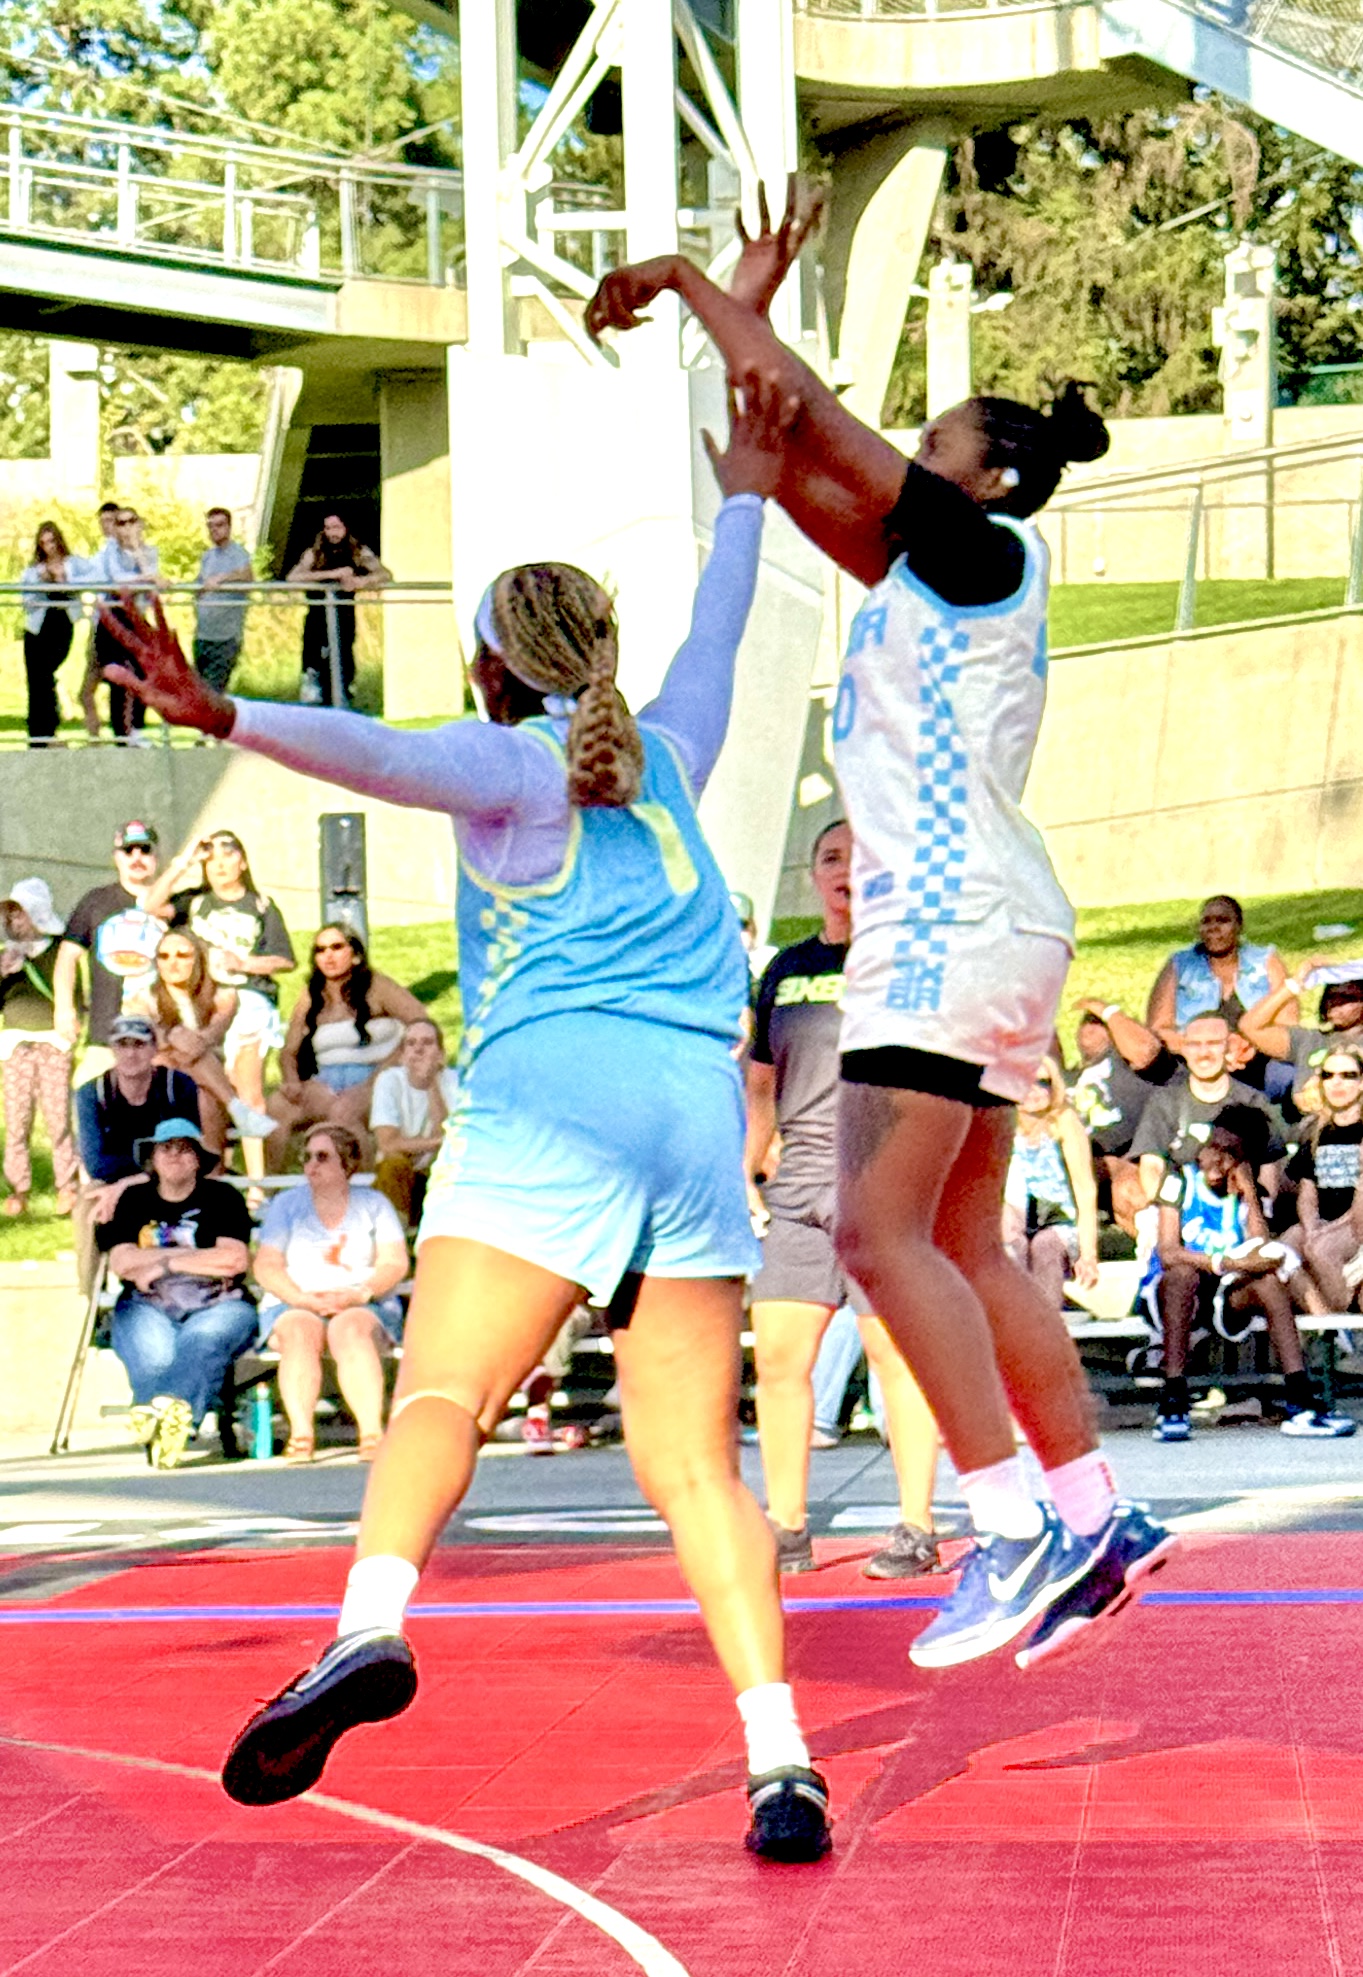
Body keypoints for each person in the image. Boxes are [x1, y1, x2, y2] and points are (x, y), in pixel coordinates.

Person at [99, 376, 835, 1864]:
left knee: (444, 1397)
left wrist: (217, 706)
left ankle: (367, 1623)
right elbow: (720, 636)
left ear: (494, 669)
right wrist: (746, 491)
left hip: (555, 1101)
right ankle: (779, 1760)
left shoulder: (508, 766)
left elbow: (373, 752)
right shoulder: (671, 758)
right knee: (696, 1465)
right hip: (691, 1116)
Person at [587, 180, 1171, 1671]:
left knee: (866, 1229)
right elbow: (774, 448)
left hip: (943, 923)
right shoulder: (918, 578)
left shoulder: (976, 558)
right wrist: (744, 310)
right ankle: (1092, 1509)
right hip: (989, 921)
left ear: (985, 480)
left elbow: (806, 420)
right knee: (960, 1240)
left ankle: (1005, 1527)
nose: (907, 456)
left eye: (936, 446)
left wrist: (685, 277)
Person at [746, 819, 942, 1581]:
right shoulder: (785, 970)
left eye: (861, 859)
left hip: (880, 1182)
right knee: (779, 1362)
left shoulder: (906, 963)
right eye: (831, 858)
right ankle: (787, 1529)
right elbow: (760, 1084)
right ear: (813, 874)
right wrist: (746, 1172)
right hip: (796, 1189)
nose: (845, 871)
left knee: (896, 1354)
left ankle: (916, 1527)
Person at [1141, 1109, 1354, 1443]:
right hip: (1177, 1292)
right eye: (1214, 1147)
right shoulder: (1178, 1180)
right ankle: (1173, 1399)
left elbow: (1261, 1252)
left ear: (1245, 1161)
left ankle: (1299, 1400)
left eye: (1231, 1155)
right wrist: (1222, 1262)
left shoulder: (1248, 1193)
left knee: (1269, 1282)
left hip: (1225, 1292)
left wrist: (1251, 1196)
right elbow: (1169, 1251)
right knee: (1182, 1274)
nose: (1217, 1159)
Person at [97, 1116, 256, 1470]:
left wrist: (163, 1266)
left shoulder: (223, 1197)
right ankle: (169, 1424)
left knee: (201, 1341)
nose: (175, 1155)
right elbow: (123, 1261)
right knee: (155, 1357)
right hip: (147, 1304)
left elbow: (233, 1259)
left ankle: (164, 1423)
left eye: (185, 1149)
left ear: (198, 1159)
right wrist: (195, 1258)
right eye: (165, 1148)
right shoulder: (133, 1200)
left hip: (219, 1301)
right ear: (151, 1158)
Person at [143, 828, 297, 1177]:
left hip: (246, 996)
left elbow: (285, 960)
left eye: (228, 857)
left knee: (245, 1084)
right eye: (211, 860)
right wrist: (184, 862)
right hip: (199, 997)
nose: (219, 866)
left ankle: (257, 1185)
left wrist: (243, 964)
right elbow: (151, 905)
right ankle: (218, 1173)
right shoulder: (195, 901)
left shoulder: (261, 905)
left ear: (242, 862)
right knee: (207, 1079)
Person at [252, 1124, 410, 1462]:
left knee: (350, 1329)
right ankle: (301, 1433)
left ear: (347, 1164)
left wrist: (360, 1294)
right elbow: (266, 1265)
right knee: (298, 1330)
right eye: (307, 1157)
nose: (311, 1165)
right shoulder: (286, 1205)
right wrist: (301, 1299)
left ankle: (370, 1433)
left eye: (322, 1157)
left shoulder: (374, 1204)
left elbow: (394, 1263)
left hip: (361, 1299)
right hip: (297, 1299)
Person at [266, 924, 423, 1169]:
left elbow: (421, 1025)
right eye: (320, 950)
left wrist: (376, 1081)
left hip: (377, 1077)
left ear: (356, 954)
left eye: (337, 947)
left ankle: (367, 1193)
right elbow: (289, 1051)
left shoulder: (377, 986)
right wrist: (292, 1081)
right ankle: (271, 1194)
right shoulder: (311, 994)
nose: (328, 955)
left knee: (344, 1112)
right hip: (325, 1080)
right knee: (277, 1106)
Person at [72, 1013, 200, 1289]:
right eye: (123, 1045)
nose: (131, 1054)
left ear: (154, 1048)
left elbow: (191, 1150)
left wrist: (133, 1180)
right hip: (111, 1183)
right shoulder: (92, 1094)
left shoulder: (177, 1087)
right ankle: (93, 1296)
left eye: (139, 1045)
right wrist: (130, 1180)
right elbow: (97, 1164)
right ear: (112, 1049)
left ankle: (204, 1281)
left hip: (174, 1178)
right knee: (89, 1206)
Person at [126, 929, 276, 1159]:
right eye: (164, 957)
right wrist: (172, 1037)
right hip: (158, 1079)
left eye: (182, 955)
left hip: (204, 1081)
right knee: (174, 1052)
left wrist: (177, 1039)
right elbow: (148, 1039)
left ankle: (211, 1175)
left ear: (199, 959)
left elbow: (212, 1035)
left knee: (203, 1095)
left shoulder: (224, 997)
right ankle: (236, 1108)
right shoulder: (141, 999)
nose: (172, 963)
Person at [1128, 1010, 1286, 1206]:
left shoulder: (1253, 1101)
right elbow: (1151, 1166)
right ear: (1184, 1050)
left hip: (1238, 1208)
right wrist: (1167, 1208)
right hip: (1178, 1206)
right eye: (1194, 1045)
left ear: (1229, 1049)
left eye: (1213, 1044)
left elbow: (1270, 1165)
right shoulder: (1164, 1101)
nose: (1204, 1054)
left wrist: (1261, 1211)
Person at [54, 819, 169, 1084]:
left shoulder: (172, 903)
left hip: (158, 1033)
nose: (137, 857)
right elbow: (68, 955)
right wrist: (64, 1008)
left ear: (155, 857)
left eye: (145, 850)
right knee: (87, 1097)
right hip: (105, 1031)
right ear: (116, 857)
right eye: (129, 851)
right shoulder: (96, 901)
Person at [1146, 896, 1291, 1090]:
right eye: (1206, 921)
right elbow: (1159, 1029)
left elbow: (1288, 1024)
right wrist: (1205, 1050)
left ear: (1238, 926)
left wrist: (1246, 1049)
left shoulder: (1265, 960)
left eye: (1222, 920)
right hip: (1195, 1060)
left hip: (1256, 1057)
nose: (1213, 928)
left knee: (1287, 1075)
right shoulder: (1180, 964)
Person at [1066, 1001, 1177, 1236]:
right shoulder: (1065, 1076)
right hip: (1070, 1159)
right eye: (1086, 1021)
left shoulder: (1130, 1066)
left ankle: (1159, 1257)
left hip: (1122, 1161)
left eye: (1099, 1022)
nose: (1090, 1027)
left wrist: (1106, 1010)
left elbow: (1145, 1049)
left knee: (1130, 1190)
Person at [0, 879, 78, 1217]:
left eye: (21, 914)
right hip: (15, 1041)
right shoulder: (5, 956)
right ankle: (17, 1188)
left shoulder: (60, 950)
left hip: (53, 1040)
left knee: (58, 1115)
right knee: (17, 1118)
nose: (15, 922)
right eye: (11, 916)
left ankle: (67, 1185)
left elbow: (72, 993)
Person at [1004, 1059, 1100, 1316]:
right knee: (1012, 1240)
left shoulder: (1064, 1120)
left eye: (1043, 1083)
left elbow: (1085, 1189)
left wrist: (1089, 1254)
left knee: (1045, 1247)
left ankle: (1046, 1330)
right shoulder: (1000, 1121)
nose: (1035, 1091)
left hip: (1058, 1216)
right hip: (1013, 1213)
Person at [1278, 1046, 1363, 1312]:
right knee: (1281, 1251)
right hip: (1324, 1219)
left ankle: (1346, 1327)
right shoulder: (1316, 1132)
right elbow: (1307, 1192)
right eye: (1329, 1075)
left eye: (1348, 1075)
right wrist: (1311, 1226)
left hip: (1355, 1221)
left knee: (1322, 1248)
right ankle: (1322, 1319)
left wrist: (1324, 1233)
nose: (1337, 1082)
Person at [286, 511, 391, 708]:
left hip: (344, 617)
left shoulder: (358, 551)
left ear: (346, 528)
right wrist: (334, 574)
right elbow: (294, 577)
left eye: (336, 527)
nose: (332, 533)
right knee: (314, 667)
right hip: (317, 619)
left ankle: (343, 698)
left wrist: (361, 581)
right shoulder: (314, 553)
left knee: (342, 663)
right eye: (328, 528)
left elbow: (384, 574)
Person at [370, 1018, 458, 1226]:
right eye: (411, 1043)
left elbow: (451, 1140)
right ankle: (396, 1237)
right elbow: (388, 1144)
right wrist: (435, 1143)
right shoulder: (388, 1081)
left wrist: (431, 1085)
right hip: (402, 1175)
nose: (418, 1049)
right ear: (402, 1056)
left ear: (441, 1054)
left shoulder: (454, 1081)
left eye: (427, 1043)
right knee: (394, 1164)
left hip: (437, 1175)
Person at [1239, 969, 1363, 1110]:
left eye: (1346, 999)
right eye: (1330, 997)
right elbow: (1249, 1026)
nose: (1335, 1004)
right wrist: (1292, 986)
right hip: (1308, 1126)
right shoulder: (1309, 1038)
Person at [89, 508, 160, 739]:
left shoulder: (150, 552)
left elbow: (153, 580)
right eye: (120, 523)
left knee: (144, 672)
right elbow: (117, 580)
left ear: (140, 524)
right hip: (114, 618)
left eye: (131, 521)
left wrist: (138, 550)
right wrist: (145, 579)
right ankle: (122, 733)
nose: (126, 527)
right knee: (119, 675)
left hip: (137, 619)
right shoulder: (111, 550)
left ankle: (136, 729)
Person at [19, 521, 83, 744]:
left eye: (52, 541)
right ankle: (40, 733)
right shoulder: (33, 570)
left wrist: (59, 579)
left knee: (46, 674)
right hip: (38, 628)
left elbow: (81, 587)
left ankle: (47, 730)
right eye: (44, 543)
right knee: (38, 679)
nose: (49, 547)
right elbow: (26, 601)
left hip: (61, 625)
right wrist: (42, 581)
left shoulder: (72, 565)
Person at [193, 508, 254, 692]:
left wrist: (222, 578)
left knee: (214, 693)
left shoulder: (238, 553)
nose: (214, 530)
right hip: (203, 635)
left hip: (226, 637)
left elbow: (247, 575)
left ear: (229, 527)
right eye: (210, 526)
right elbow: (199, 585)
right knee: (200, 692)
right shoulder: (207, 556)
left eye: (219, 525)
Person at [79, 502, 121, 736]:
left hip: (117, 628)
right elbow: (83, 576)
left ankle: (121, 737)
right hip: (99, 626)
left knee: (119, 688)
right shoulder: (100, 555)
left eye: (111, 521)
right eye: (103, 522)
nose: (107, 527)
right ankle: (94, 738)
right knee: (86, 691)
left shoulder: (123, 555)